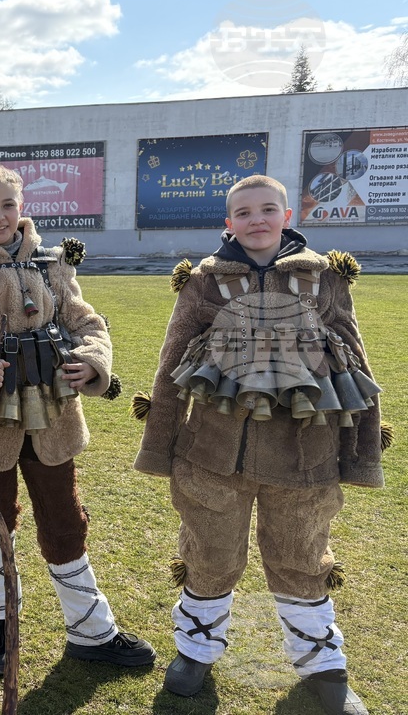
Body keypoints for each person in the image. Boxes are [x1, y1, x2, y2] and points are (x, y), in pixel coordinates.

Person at [135, 174, 383, 715]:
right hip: (213, 454)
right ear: (229, 223)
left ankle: (322, 660)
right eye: (243, 213)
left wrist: (362, 454)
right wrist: (160, 447)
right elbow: (172, 364)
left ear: (287, 216)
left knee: (301, 554)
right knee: (210, 552)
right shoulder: (204, 281)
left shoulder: (325, 278)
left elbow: (358, 362)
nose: (256, 221)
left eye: (267, 209)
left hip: (306, 455)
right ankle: (197, 648)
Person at [0, 164, 155, 677]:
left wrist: (92, 360)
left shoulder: (53, 265)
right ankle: (2, 624)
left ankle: (92, 631)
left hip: (53, 420)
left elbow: (88, 322)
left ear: (21, 208)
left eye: (8, 205)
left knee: (65, 520)